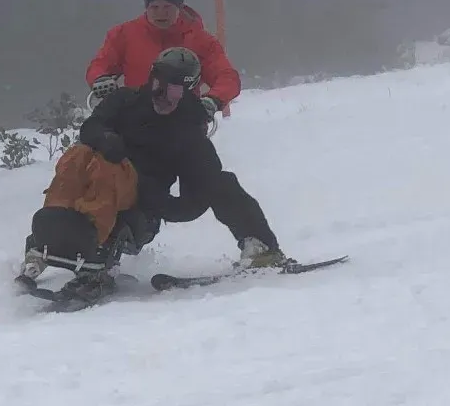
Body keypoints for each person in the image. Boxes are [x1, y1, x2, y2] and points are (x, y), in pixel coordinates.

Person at [18, 47, 288, 304]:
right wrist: (106, 139)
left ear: (188, 91)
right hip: (99, 189)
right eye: (159, 85)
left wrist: (152, 195)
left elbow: (193, 199)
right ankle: (48, 234)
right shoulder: (125, 102)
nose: (163, 96)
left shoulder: (188, 132)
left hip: (141, 211)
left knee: (219, 182)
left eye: (174, 91)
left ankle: (261, 247)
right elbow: (91, 128)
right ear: (151, 79)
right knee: (79, 156)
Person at [86, 0, 240, 123]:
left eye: (167, 7)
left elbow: (227, 76)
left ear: (179, 7)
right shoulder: (123, 35)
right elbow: (101, 64)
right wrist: (100, 79)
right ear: (147, 8)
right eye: (155, 7)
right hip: (134, 121)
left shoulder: (200, 40)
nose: (161, 13)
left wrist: (213, 100)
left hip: (184, 123)